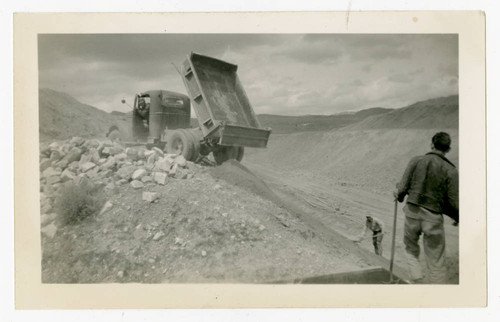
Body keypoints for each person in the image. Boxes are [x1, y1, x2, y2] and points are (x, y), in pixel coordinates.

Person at [394, 132, 458, 284]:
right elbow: (453, 201)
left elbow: (402, 188)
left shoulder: (416, 161)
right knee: (436, 262)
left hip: (412, 213)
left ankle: (417, 283)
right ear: (448, 149)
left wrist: (399, 195)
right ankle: (436, 298)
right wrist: (457, 217)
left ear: (432, 144)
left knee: (410, 250)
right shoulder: (451, 170)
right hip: (433, 217)